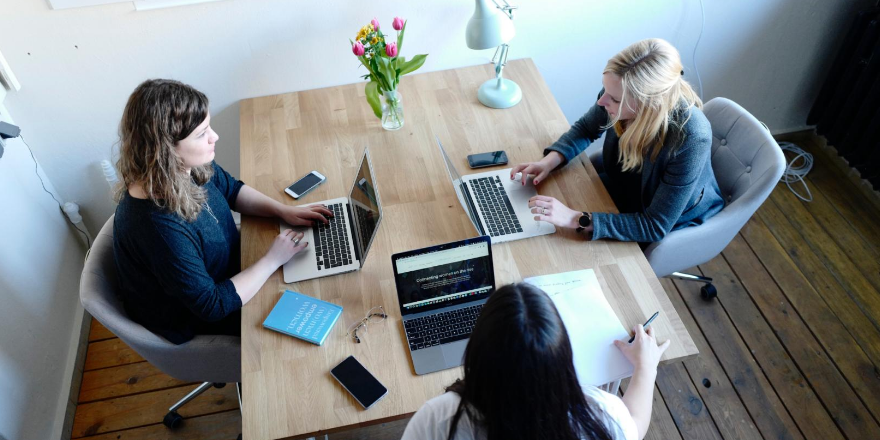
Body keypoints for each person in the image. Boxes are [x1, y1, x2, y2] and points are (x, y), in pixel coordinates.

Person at [113, 79, 331, 344]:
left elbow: (231, 190)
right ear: (165, 150)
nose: (214, 137)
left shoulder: (182, 168)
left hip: (233, 267)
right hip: (201, 315)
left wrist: (282, 211)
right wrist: (273, 260)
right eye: (201, 134)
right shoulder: (159, 228)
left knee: (319, 273)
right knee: (319, 307)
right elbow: (211, 305)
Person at [511, 38, 724, 243]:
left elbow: (655, 225)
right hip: (624, 183)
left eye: (614, 99)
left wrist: (573, 218)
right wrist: (548, 162)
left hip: (660, 216)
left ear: (650, 103)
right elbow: (586, 128)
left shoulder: (691, 138)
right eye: (606, 91)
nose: (602, 101)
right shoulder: (617, 90)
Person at [401, 283, 670, 440]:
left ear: (478, 352)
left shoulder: (438, 419)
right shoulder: (600, 416)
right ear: (562, 358)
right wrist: (646, 367)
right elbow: (634, 424)